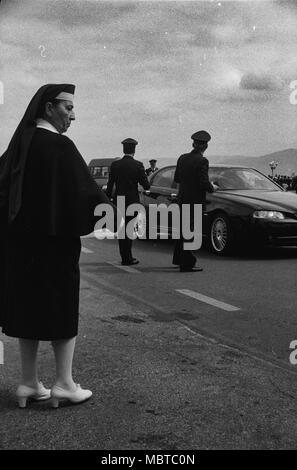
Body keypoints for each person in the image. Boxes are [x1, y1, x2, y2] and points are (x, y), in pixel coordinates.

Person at [0, 84, 110, 408]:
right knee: (61, 308)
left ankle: (28, 383)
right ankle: (64, 383)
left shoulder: (18, 143)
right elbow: (88, 195)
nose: (73, 116)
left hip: (20, 247)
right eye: (68, 108)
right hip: (55, 247)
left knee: (26, 308)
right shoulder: (61, 147)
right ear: (49, 108)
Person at [172, 130, 218, 272]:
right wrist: (213, 187)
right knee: (191, 231)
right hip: (196, 201)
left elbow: (177, 179)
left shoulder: (182, 158)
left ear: (193, 143)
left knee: (182, 230)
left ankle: (179, 259)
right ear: (206, 146)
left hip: (183, 199)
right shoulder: (203, 161)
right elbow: (204, 183)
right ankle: (187, 263)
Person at [106, 138, 150, 265]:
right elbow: (146, 185)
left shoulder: (115, 165)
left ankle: (124, 257)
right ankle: (128, 258)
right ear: (134, 150)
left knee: (121, 230)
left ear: (123, 149)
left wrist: (108, 199)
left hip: (119, 200)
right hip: (132, 201)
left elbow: (110, 185)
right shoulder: (138, 165)